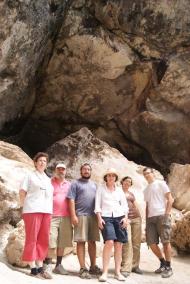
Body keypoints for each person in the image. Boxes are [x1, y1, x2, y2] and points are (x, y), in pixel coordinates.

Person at [19, 152, 53, 279]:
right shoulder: (29, 176)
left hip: (46, 211)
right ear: (35, 162)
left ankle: (40, 266)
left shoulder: (47, 178)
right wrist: (24, 207)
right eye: (40, 160)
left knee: (43, 239)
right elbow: (22, 191)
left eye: (44, 161)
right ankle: (33, 268)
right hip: (32, 210)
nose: (42, 162)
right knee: (32, 238)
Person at [67, 163, 101, 279]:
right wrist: (73, 215)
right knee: (81, 242)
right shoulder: (75, 183)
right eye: (84, 169)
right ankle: (82, 268)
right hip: (80, 215)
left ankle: (93, 266)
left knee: (92, 242)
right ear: (81, 171)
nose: (86, 171)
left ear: (91, 172)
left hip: (93, 216)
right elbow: (71, 200)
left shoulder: (94, 185)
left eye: (88, 169)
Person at [95, 168, 128, 282]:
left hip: (119, 217)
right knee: (109, 242)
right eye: (108, 175)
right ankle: (104, 272)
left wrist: (125, 218)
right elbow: (97, 205)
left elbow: (124, 206)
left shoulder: (119, 190)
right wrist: (99, 218)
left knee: (119, 244)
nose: (111, 177)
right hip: (106, 217)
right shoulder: (101, 189)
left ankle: (117, 272)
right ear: (106, 178)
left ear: (115, 178)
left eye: (113, 176)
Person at [143, 167, 174, 278]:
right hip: (150, 219)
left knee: (165, 242)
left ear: (153, 173)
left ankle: (169, 267)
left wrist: (166, 214)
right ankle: (162, 262)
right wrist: (146, 221)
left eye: (148, 173)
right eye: (145, 174)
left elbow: (170, 199)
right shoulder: (146, 189)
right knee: (151, 243)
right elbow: (147, 206)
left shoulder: (161, 183)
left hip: (162, 215)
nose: (146, 175)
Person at [43, 163, 73, 277]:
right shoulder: (49, 182)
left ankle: (58, 265)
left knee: (62, 242)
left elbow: (73, 200)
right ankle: (48, 264)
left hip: (66, 217)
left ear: (66, 171)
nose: (61, 171)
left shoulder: (69, 184)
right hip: (52, 216)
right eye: (59, 169)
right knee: (51, 240)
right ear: (55, 170)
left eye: (63, 169)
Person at [120, 176, 142, 277]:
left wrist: (141, 216)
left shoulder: (131, 193)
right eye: (126, 181)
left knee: (136, 243)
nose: (127, 183)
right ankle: (125, 267)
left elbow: (135, 204)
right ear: (122, 182)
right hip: (126, 219)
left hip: (136, 218)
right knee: (127, 242)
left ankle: (135, 265)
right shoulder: (117, 192)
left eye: (129, 182)